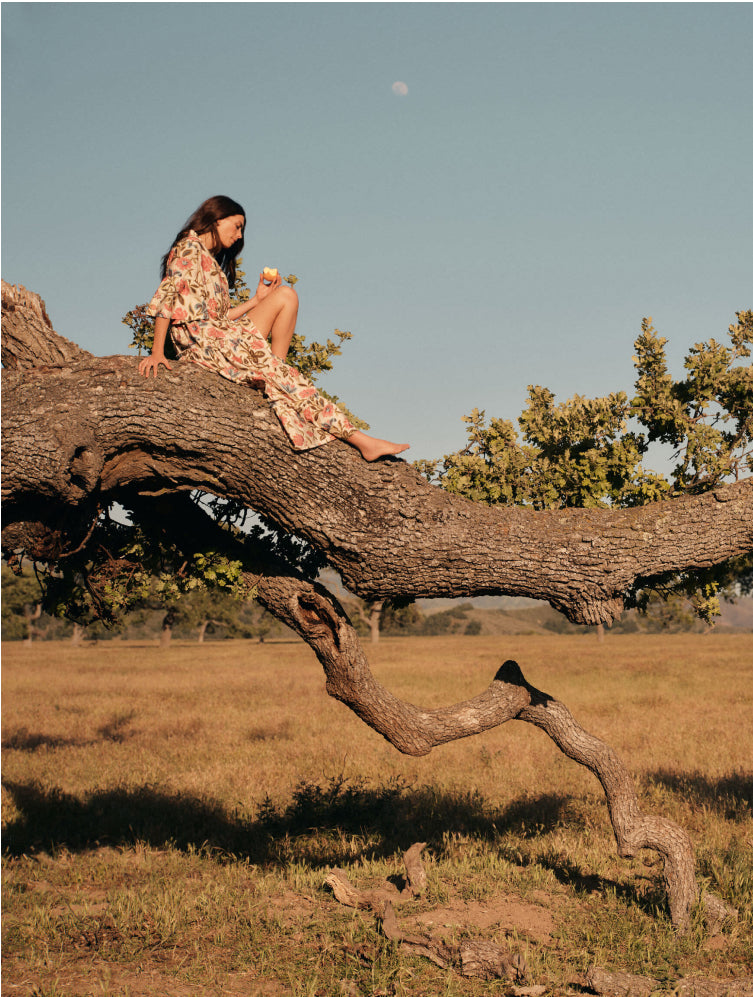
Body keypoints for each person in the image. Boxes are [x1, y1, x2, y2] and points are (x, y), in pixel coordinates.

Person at [138, 195, 409, 461]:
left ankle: (274, 373)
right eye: (237, 226)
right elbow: (168, 297)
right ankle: (361, 440)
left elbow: (218, 317)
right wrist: (157, 352)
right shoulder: (189, 247)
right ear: (216, 219)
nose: (240, 236)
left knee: (286, 296)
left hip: (220, 335)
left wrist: (257, 301)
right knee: (286, 368)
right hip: (204, 346)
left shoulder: (211, 262)